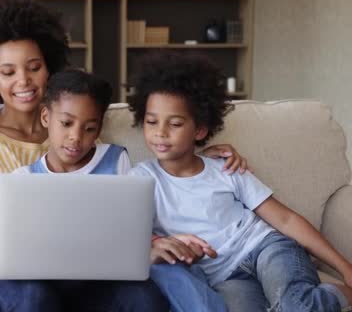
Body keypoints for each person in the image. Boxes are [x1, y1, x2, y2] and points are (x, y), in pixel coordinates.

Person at [0, 0, 244, 311]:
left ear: (49, 69)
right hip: (0, 269)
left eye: (34, 68)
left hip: (83, 266)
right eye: (8, 71)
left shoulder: (77, 133)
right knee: (33, 297)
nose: (23, 81)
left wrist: (201, 152)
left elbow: (138, 175)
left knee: (142, 298)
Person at [127, 51, 352, 312]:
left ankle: (342, 293)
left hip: (266, 247)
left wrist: (343, 266)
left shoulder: (225, 167)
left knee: (295, 306)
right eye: (151, 121)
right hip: (224, 277)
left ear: (199, 130)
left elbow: (285, 219)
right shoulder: (140, 179)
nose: (160, 132)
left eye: (175, 123)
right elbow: (130, 233)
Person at [14, 69, 227, 312]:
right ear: (45, 117)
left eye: (90, 128)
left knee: (146, 299)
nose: (75, 137)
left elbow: (131, 227)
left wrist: (155, 243)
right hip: (51, 283)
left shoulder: (115, 159)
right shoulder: (23, 179)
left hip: (106, 283)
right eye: (66, 123)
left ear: (100, 127)